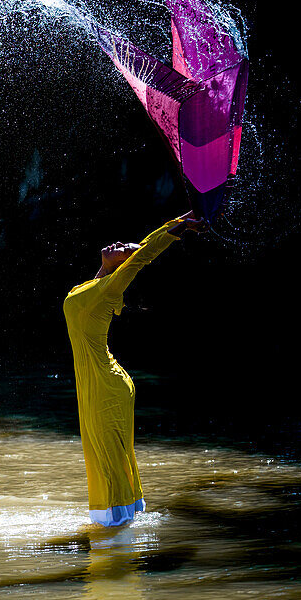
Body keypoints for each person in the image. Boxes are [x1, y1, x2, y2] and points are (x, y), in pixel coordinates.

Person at [63, 210, 206, 527]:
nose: (118, 244)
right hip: (103, 384)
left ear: (129, 264)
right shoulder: (100, 285)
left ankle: (117, 524)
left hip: (106, 387)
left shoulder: (110, 291)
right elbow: (142, 246)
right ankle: (125, 517)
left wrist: (179, 228)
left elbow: (146, 251)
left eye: (125, 248)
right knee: (102, 451)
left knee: (109, 454)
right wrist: (184, 217)